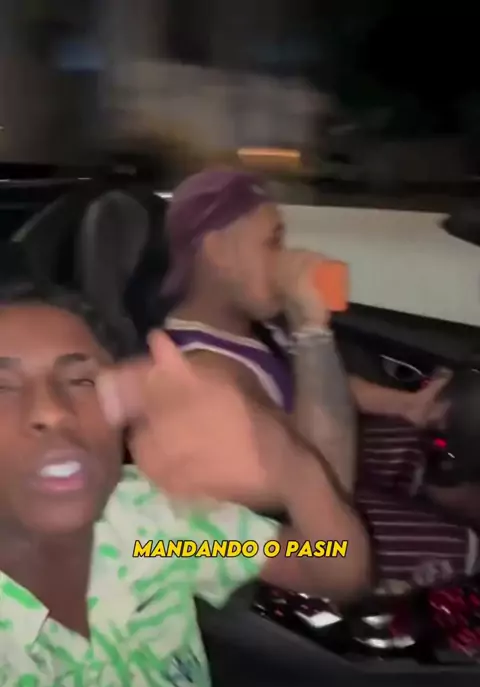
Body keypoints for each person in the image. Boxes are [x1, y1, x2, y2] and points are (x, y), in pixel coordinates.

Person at [0, 249, 369, 687]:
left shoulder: (151, 527)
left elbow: (336, 565)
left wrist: (287, 460)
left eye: (81, 380)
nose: (50, 411)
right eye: (2, 386)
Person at [162, 168, 478, 589]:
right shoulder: (207, 372)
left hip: (320, 475)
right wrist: (311, 329)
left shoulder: (247, 325)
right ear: (219, 252)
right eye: (272, 243)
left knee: (423, 451)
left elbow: (321, 388)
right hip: (298, 531)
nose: (285, 256)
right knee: (463, 548)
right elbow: (326, 482)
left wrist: (408, 406)